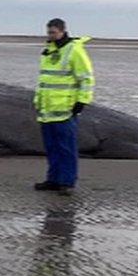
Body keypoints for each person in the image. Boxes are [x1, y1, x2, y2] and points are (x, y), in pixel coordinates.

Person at [33, 18, 95, 195]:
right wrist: (38, 101)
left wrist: (82, 101)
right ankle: (53, 179)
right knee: (52, 147)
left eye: (54, 32)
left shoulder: (74, 50)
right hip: (47, 109)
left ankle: (67, 182)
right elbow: (45, 80)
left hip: (65, 108)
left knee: (66, 147)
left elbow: (86, 78)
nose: (51, 36)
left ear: (62, 31)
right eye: (49, 33)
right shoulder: (49, 51)